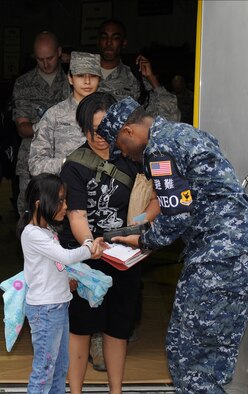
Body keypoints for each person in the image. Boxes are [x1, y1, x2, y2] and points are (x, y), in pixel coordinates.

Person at [92, 94, 248, 394]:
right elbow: (189, 199)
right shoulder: (185, 132)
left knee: (191, 362)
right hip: (237, 253)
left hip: (218, 259)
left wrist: (142, 240)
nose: (127, 155)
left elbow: (177, 216)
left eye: (121, 146)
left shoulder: (159, 149)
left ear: (129, 131)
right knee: (208, 359)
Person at [58, 92, 160, 394]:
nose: (99, 137)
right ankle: (74, 391)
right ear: (83, 130)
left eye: (104, 129)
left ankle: (116, 390)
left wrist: (138, 228)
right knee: (81, 327)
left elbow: (157, 198)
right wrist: (90, 245)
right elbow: (76, 216)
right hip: (85, 256)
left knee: (118, 326)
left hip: (125, 256)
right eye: (91, 130)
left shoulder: (133, 156)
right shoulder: (75, 165)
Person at [16, 172, 105, 394]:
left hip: (58, 306)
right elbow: (64, 257)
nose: (66, 206)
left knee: (58, 368)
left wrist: (67, 280)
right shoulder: (32, 233)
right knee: (44, 371)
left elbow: (53, 265)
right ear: (40, 203)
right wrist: (89, 247)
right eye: (61, 200)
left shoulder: (47, 231)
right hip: (45, 311)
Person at [12, 31, 70, 216]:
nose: (45, 64)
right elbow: (22, 128)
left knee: (66, 215)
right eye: (40, 59)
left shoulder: (74, 80)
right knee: (30, 216)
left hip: (65, 161)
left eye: (50, 58)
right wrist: (49, 127)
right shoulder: (24, 83)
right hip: (32, 161)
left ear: (60, 52)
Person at [29, 51, 102, 176]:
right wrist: (68, 163)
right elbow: (36, 165)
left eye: (93, 76)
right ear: (70, 78)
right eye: (80, 75)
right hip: (66, 190)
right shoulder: (54, 115)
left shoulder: (111, 113)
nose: (87, 81)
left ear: (99, 79)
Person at [97, 19, 181, 121]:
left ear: (124, 43)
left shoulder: (136, 78)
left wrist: (151, 78)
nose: (109, 42)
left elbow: (171, 116)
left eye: (115, 38)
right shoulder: (82, 75)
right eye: (104, 37)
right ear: (98, 41)